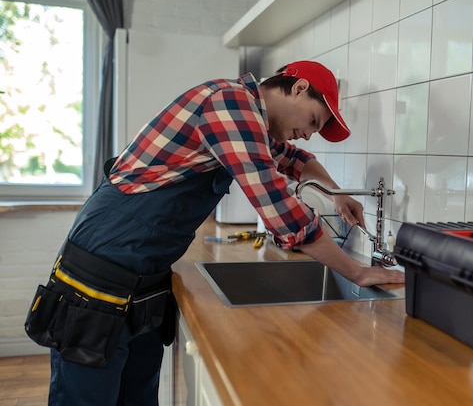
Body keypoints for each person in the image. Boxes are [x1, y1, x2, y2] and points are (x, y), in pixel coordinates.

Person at [24, 60, 404, 406]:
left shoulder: (250, 119)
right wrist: (357, 272)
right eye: (314, 121)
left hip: (142, 283)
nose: (307, 134)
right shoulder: (229, 103)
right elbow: (283, 214)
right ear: (299, 88)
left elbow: (295, 161)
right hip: (96, 279)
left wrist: (336, 196)